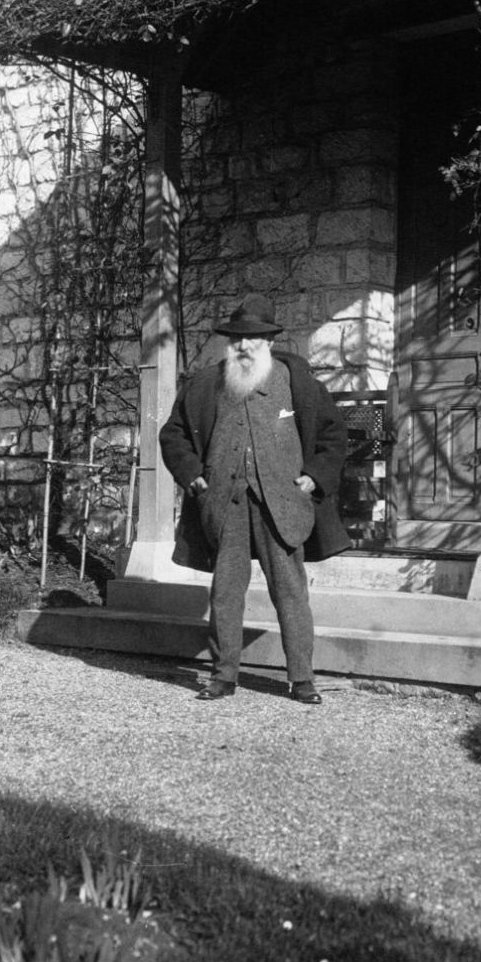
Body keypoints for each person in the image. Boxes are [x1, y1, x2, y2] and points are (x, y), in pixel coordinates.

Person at [159, 294, 351, 704]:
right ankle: (223, 676)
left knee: (290, 592)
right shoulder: (205, 385)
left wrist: (314, 477)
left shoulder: (297, 383)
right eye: (237, 339)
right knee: (226, 592)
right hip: (224, 502)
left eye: (253, 338)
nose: (244, 346)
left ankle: (302, 679)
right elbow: (173, 434)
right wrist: (192, 475)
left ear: (269, 341)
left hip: (281, 503)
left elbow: (334, 434)